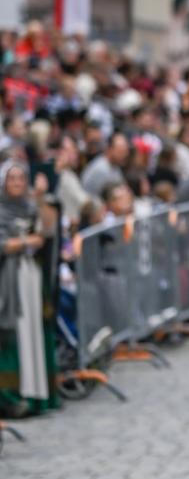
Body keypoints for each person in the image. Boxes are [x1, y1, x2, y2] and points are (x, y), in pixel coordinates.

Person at [0, 161, 60, 418]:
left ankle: (38, 393)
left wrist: (40, 197)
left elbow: (48, 228)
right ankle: (13, 397)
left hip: (31, 275)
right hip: (8, 279)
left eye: (21, 178)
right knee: (14, 336)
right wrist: (26, 241)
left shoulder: (30, 206)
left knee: (34, 333)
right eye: (12, 179)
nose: (17, 183)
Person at [80, 131, 130, 199]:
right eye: (120, 151)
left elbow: (122, 187)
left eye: (125, 151)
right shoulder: (100, 169)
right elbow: (93, 198)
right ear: (109, 149)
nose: (125, 155)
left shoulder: (115, 165)